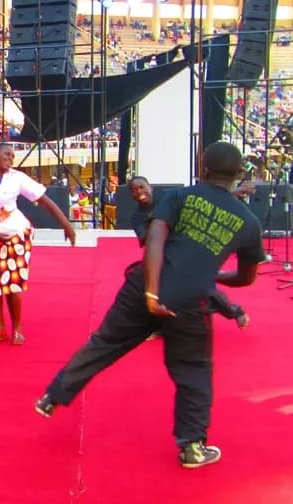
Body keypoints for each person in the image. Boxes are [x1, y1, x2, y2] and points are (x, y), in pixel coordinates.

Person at [35, 142, 265, 469]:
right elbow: (245, 278)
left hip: (144, 285)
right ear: (238, 174)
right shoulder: (248, 221)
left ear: (203, 168)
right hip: (189, 300)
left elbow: (155, 240)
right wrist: (208, 273)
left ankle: (53, 396)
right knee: (193, 371)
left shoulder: (180, 196)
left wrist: (152, 292)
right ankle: (192, 448)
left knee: (106, 342)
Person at [0, 141, 76, 346]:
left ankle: (17, 328)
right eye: (6, 155)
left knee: (12, 282)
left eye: (12, 156)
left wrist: (66, 225)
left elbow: (45, 200)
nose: (10, 159)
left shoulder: (17, 178)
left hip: (16, 233)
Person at [129, 175, 248, 328]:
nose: (139, 192)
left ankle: (234, 310)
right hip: (164, 257)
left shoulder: (168, 197)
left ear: (150, 187)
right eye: (133, 190)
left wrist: (231, 193)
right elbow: (145, 239)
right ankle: (160, 324)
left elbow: (201, 198)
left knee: (202, 289)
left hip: (187, 246)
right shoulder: (137, 217)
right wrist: (156, 219)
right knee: (151, 288)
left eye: (141, 187)